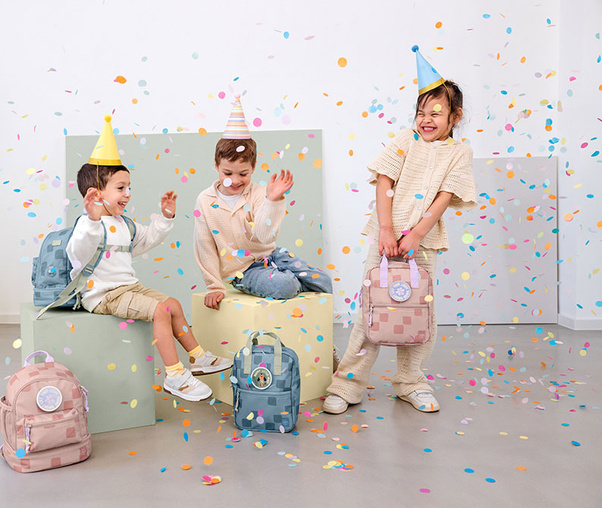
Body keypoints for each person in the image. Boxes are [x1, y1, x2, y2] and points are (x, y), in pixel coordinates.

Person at [324, 46, 477, 414]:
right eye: (421, 112)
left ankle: (411, 381)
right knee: (372, 310)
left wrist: (417, 234)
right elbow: (384, 181)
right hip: (386, 239)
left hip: (423, 244)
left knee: (418, 312)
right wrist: (387, 230)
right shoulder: (405, 141)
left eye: (435, 113)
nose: (426, 120)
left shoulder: (459, 152)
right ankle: (347, 384)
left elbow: (445, 195)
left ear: (455, 116)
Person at [67, 115, 232, 402]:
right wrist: (92, 221)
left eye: (128, 187)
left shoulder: (123, 223)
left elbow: (146, 239)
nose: (127, 194)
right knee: (159, 311)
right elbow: (78, 254)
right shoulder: (87, 225)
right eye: (121, 188)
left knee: (172, 304)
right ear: (95, 194)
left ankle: (198, 357)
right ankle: (175, 375)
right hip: (104, 295)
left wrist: (165, 218)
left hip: (129, 288)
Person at [193, 96, 333, 311]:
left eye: (243, 174)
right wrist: (214, 286)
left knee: (322, 280)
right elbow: (204, 245)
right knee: (284, 285)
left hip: (273, 256)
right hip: (243, 271)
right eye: (227, 173)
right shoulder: (205, 200)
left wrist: (272, 201)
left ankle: (286, 279)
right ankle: (286, 281)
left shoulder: (258, 194)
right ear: (216, 165)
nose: (235, 180)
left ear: (254, 166)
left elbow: (265, 236)